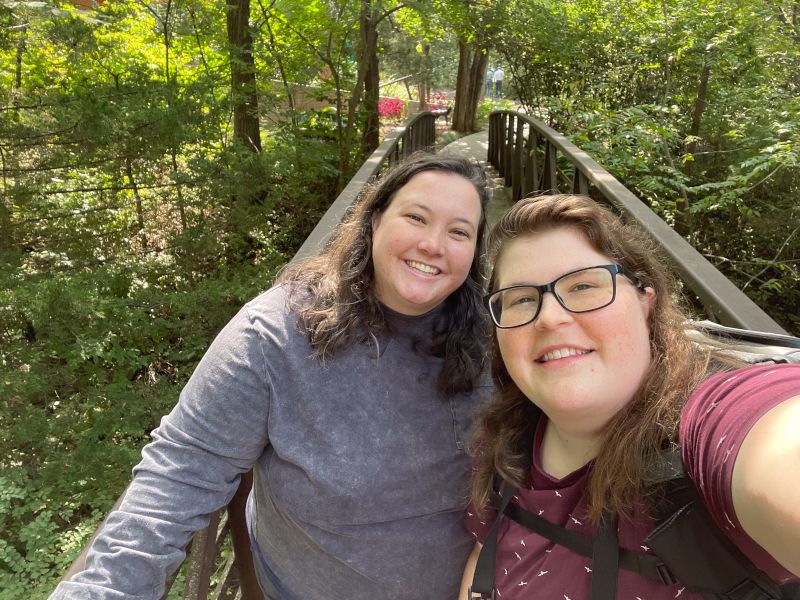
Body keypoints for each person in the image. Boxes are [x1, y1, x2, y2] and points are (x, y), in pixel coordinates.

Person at [51, 153, 493, 600]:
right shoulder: (276, 334)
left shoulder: (501, 341)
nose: (434, 245)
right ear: (375, 220)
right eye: (416, 217)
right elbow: (180, 473)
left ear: (475, 251)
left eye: (459, 232)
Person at [460, 194, 800, 599]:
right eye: (520, 299)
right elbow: (483, 560)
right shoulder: (505, 441)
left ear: (645, 299)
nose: (550, 317)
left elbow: (778, 449)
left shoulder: (710, 420)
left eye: (584, 285)